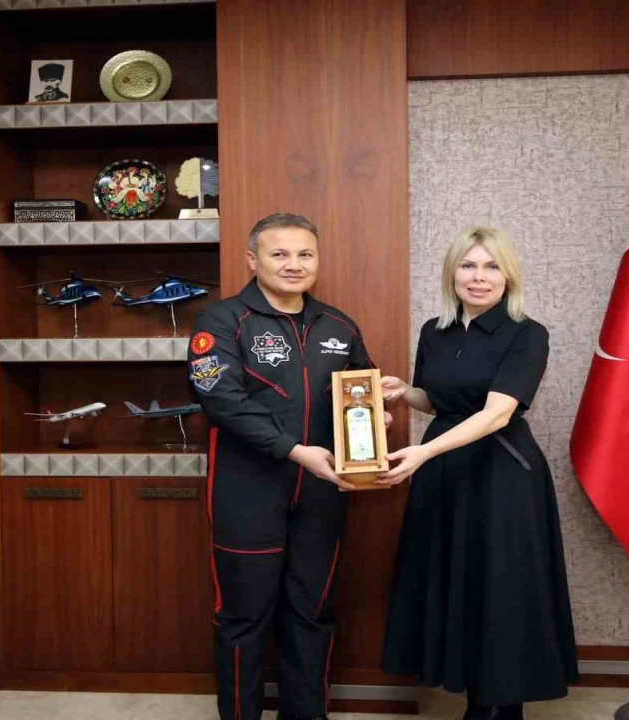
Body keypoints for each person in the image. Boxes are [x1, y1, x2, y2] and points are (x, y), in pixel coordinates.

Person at [189, 212, 385, 720]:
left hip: (322, 493)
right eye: (279, 254)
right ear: (252, 260)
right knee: (243, 617)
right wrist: (295, 450)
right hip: (246, 492)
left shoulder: (339, 326)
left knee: (312, 612)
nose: (293, 264)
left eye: (305, 254)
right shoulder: (221, 322)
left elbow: (359, 392)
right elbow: (222, 400)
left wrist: (373, 421)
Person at [377, 226, 578, 720]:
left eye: (491, 267)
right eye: (468, 265)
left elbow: (495, 414)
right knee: (456, 585)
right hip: (444, 473)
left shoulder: (527, 333)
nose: (479, 277)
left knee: (500, 591)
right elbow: (438, 402)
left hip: (501, 474)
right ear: (453, 272)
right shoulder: (434, 330)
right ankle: (475, 699)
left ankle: (499, 708)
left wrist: (422, 453)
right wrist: (404, 391)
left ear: (508, 277)